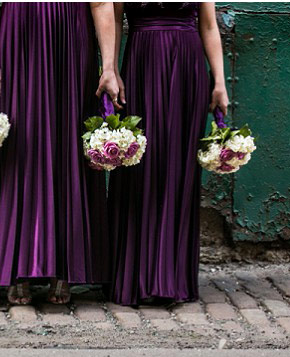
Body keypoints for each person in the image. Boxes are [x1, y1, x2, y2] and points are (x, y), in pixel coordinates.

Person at [0, 2, 121, 305]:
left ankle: (63, 268)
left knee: (65, 146)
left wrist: (108, 67)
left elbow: (100, 3)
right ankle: (17, 268)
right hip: (19, 41)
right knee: (20, 149)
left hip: (71, 42)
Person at [107, 2, 228, 306]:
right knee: (141, 167)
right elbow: (115, 19)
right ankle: (134, 277)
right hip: (142, 66)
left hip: (187, 68)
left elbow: (210, 25)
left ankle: (172, 278)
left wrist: (219, 82)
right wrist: (113, 70)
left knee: (179, 169)